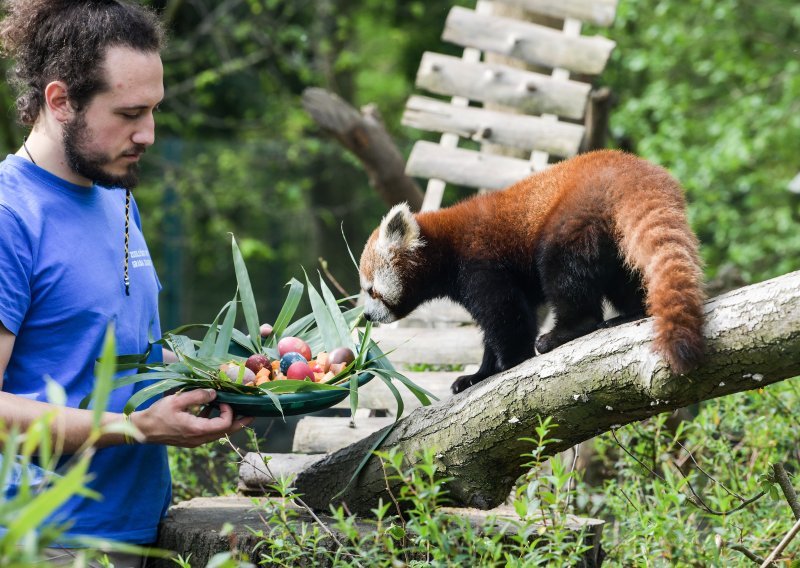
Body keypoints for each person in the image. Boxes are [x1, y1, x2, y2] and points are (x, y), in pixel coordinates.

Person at [0, 0, 253, 564]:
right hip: (46, 542)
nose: (149, 134)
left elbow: (124, 361)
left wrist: (247, 376)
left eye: (155, 110)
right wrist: (134, 428)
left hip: (140, 532)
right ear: (60, 101)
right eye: (129, 113)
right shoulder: (10, 216)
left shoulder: (115, 198)